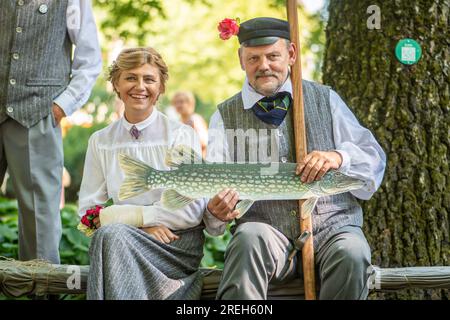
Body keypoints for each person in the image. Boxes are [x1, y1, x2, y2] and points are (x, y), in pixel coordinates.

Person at [205, 17, 386, 300]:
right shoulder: (224, 116)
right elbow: (211, 196)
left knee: (353, 253)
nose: (263, 66)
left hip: (333, 229)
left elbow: (374, 160)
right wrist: (216, 212)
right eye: (253, 58)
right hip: (265, 233)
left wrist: (338, 157)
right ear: (241, 60)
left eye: (273, 56)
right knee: (247, 240)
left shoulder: (325, 98)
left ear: (291, 54)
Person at [78, 47, 220, 300]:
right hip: (122, 239)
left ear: (161, 87)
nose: (139, 86)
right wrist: (142, 227)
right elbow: (87, 211)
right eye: (131, 77)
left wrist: (134, 218)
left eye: (149, 79)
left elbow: (191, 209)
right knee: (109, 236)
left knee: (111, 236)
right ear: (116, 84)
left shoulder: (180, 135)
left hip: (175, 244)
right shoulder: (100, 141)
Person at [0, 0, 102, 264]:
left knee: (39, 214)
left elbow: (90, 59)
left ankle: (41, 291)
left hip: (38, 111)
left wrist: (62, 105)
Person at [171, 91, 208, 157]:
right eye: (175, 103)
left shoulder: (195, 120)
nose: (178, 105)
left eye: (181, 102)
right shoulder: (178, 123)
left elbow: (203, 142)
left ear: (190, 103)